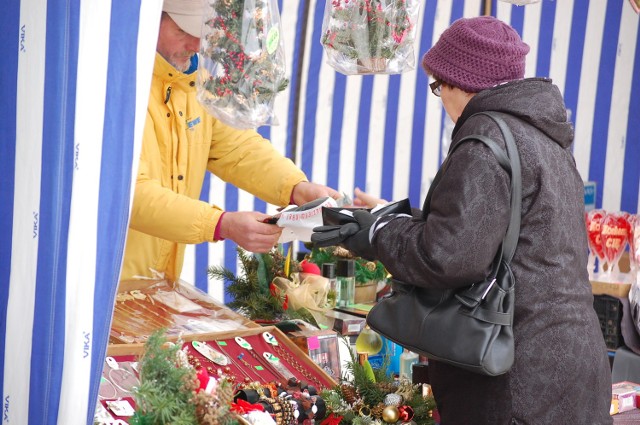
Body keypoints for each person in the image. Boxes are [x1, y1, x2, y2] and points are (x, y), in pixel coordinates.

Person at [314, 16, 613, 424]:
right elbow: (490, 237)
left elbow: (449, 257)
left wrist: (381, 231)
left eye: (439, 87)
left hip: (516, 377)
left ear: (462, 83)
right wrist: (397, 218)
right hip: (573, 364)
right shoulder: (545, 139)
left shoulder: (485, 139)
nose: (441, 100)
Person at [121, 0, 339, 281]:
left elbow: (237, 148)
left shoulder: (193, 84)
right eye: (183, 31)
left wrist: (295, 187)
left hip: (156, 281)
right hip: (105, 284)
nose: (197, 43)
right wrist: (219, 224)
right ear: (150, 21)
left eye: (204, 30)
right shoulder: (121, 87)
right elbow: (129, 193)